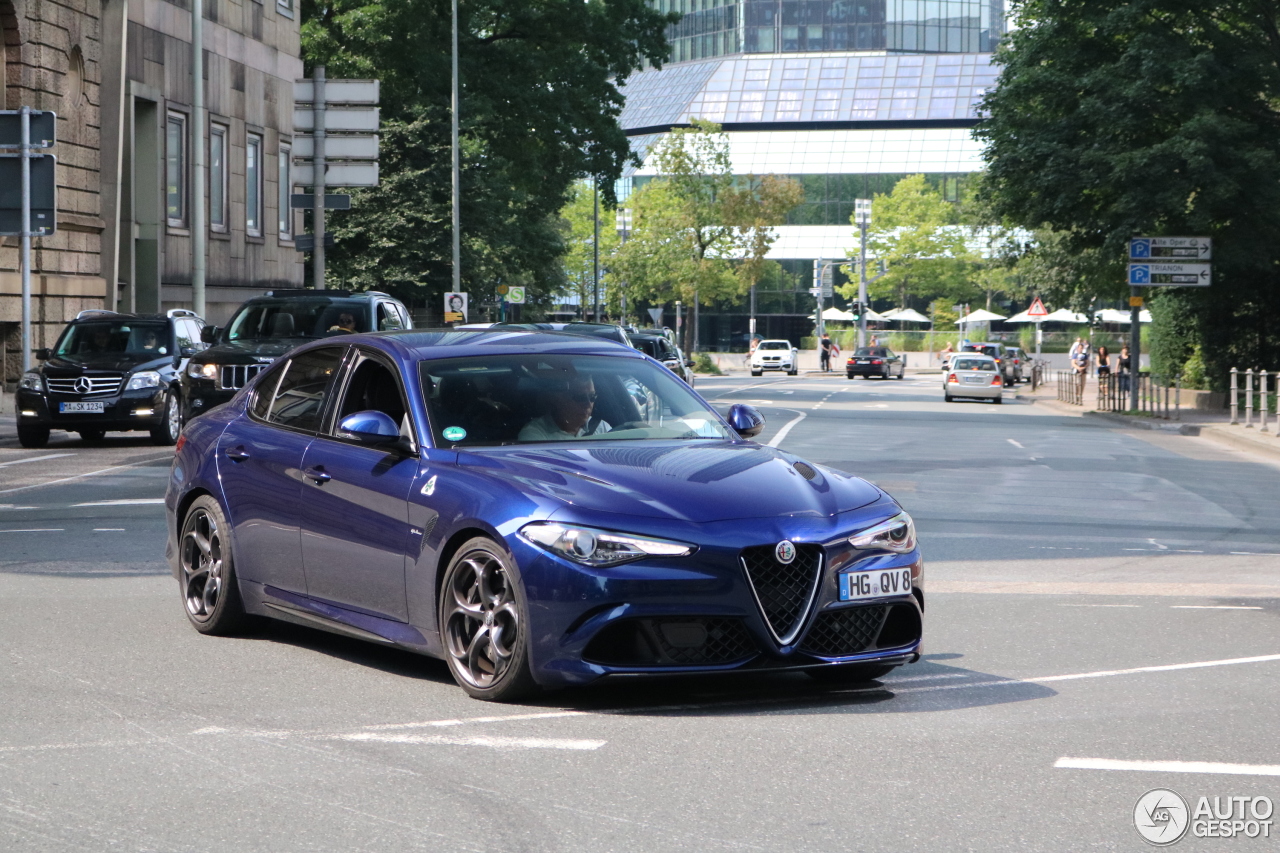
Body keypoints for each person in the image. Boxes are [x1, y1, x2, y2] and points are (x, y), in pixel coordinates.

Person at [519, 374, 613, 441]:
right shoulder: (535, 434)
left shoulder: (603, 428)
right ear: (558, 400)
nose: (588, 404)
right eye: (580, 398)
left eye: (592, 397)